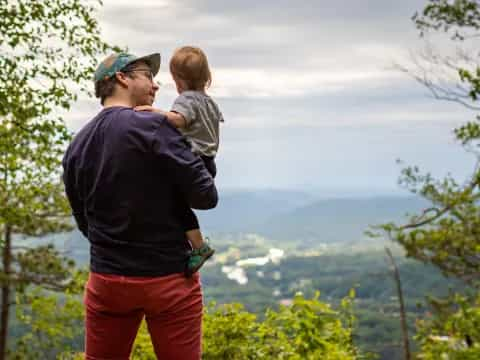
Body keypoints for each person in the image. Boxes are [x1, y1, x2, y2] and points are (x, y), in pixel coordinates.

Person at [62, 52, 217, 360]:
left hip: (107, 279)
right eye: (147, 75)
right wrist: (205, 157)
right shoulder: (152, 126)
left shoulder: (77, 144)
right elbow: (205, 196)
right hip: (167, 277)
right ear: (122, 78)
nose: (156, 85)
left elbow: (84, 220)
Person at [135, 46, 223, 275]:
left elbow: (178, 120)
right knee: (178, 204)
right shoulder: (210, 103)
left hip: (191, 161)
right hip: (208, 163)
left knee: (173, 204)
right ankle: (195, 244)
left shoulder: (186, 99)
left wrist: (153, 112)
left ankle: (199, 247)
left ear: (179, 80)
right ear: (206, 77)